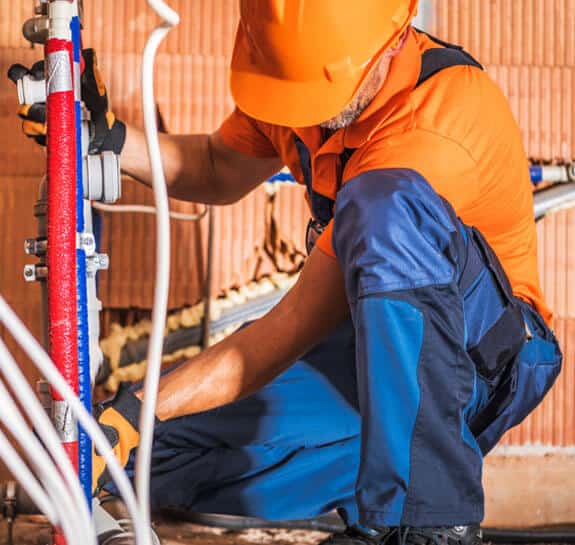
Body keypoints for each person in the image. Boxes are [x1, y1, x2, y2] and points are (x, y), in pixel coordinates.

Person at [10, 2, 562, 544]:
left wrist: (134, 408)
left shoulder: (434, 125)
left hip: (484, 357)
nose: (306, 115)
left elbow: (283, 332)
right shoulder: (296, 77)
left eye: (318, 97)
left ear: (393, 40)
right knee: (157, 451)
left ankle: (425, 522)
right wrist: (115, 140)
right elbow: (218, 166)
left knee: (384, 207)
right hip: (368, 356)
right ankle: (376, 481)